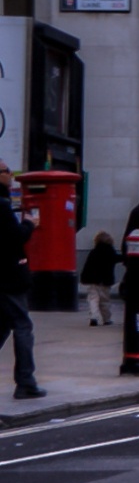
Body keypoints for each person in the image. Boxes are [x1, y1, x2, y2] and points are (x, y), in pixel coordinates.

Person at [0, 162, 43, 398]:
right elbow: (14, 239)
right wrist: (29, 224)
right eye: (6, 171)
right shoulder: (2, 207)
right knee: (23, 326)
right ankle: (26, 382)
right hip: (8, 277)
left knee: (3, 327)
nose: (10, 175)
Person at [80, 228, 119, 327]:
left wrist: (84, 278)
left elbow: (87, 266)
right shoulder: (111, 251)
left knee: (93, 299)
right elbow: (117, 258)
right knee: (105, 301)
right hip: (105, 281)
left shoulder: (94, 251)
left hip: (93, 280)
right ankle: (106, 319)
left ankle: (94, 317)